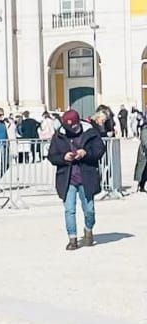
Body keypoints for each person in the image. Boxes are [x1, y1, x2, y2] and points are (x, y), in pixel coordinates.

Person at [48, 108, 104, 251]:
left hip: (86, 176)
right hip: (67, 178)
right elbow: (52, 156)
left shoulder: (90, 133)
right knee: (69, 210)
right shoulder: (58, 136)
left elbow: (99, 150)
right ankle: (72, 239)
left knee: (89, 210)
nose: (72, 130)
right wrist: (63, 157)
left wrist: (86, 153)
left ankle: (88, 229)